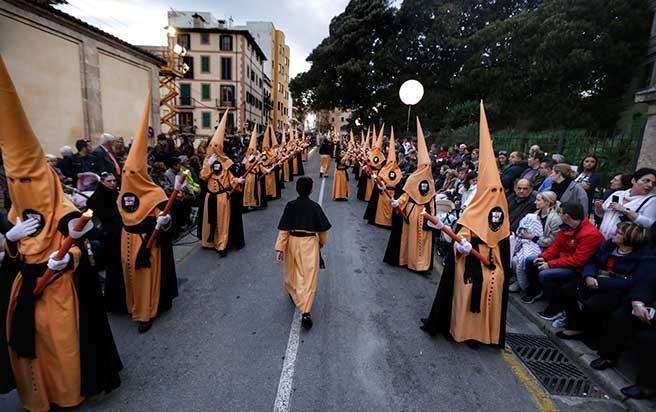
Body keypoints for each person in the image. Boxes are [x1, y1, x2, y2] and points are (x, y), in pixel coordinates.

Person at [0, 56, 122, 410]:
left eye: (27, 180)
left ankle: (67, 396)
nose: (21, 186)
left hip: (57, 288)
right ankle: (37, 398)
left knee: (59, 343)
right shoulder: (15, 211)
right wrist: (10, 238)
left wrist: (68, 255)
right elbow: (13, 252)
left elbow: (77, 233)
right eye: (15, 182)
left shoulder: (63, 207)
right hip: (27, 286)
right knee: (29, 348)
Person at [421, 102, 511, 347]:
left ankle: (485, 335)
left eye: (497, 190)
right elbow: (463, 230)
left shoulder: (500, 209)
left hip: (494, 263)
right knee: (468, 286)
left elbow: (502, 241)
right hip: (470, 259)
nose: (493, 194)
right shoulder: (474, 208)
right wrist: (462, 243)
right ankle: (463, 331)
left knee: (494, 284)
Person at [117, 93, 178, 333]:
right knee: (129, 276)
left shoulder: (154, 193)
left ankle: (146, 312)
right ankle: (132, 306)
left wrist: (165, 221)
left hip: (147, 244)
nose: (128, 178)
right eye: (126, 173)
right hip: (126, 241)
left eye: (133, 174)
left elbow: (164, 219)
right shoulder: (121, 194)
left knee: (145, 278)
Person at [556, 222, 654, 340]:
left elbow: (632, 282)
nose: (614, 234)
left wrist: (599, 283)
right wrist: (589, 275)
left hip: (614, 290)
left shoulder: (643, 258)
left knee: (593, 305)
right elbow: (591, 261)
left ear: (629, 238)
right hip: (593, 280)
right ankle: (575, 325)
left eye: (619, 233)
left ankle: (591, 333)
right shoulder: (608, 246)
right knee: (566, 290)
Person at [521, 202, 605, 319]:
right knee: (531, 260)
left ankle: (557, 306)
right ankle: (536, 291)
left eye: (560, 213)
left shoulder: (590, 234)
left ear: (567, 216)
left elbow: (579, 260)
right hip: (564, 259)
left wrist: (549, 264)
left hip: (578, 268)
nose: (558, 215)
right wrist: (543, 257)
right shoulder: (568, 227)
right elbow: (556, 246)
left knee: (545, 274)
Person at [590, 267, 656, 399]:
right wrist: (638, 302)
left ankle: (647, 386)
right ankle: (609, 356)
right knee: (620, 316)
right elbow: (646, 283)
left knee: (648, 339)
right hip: (650, 308)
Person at [275, 177, 331, 330]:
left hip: (292, 241)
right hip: (309, 243)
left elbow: (284, 229)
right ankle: (306, 310)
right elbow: (323, 232)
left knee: (292, 272)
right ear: (311, 190)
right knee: (309, 276)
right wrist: (320, 244)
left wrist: (280, 248)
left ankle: (295, 296)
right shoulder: (315, 207)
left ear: (297, 189)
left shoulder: (290, 206)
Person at [389, 118, 436, 276]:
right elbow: (406, 195)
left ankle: (421, 266)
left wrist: (433, 218)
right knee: (410, 241)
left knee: (424, 242)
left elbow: (432, 201)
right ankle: (408, 261)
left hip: (425, 215)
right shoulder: (413, 179)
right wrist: (398, 202)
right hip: (412, 213)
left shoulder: (430, 181)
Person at [199, 110, 245, 256]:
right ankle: (209, 241)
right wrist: (210, 167)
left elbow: (231, 179)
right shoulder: (207, 162)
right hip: (210, 197)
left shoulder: (227, 162)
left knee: (223, 222)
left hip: (222, 197)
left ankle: (222, 245)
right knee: (210, 221)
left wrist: (238, 181)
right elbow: (203, 177)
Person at [86, 172, 126, 313]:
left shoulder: (115, 193)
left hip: (119, 232)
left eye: (114, 180)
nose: (112, 183)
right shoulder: (97, 197)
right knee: (114, 268)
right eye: (109, 181)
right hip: (108, 236)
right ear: (102, 182)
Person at [596, 168, 656, 239]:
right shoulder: (618, 193)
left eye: (654, 183)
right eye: (646, 181)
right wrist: (599, 208)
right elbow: (601, 215)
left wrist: (625, 210)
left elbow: (648, 224)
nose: (650, 185)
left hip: (622, 244)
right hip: (601, 237)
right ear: (633, 180)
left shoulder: (651, 200)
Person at [365, 128, 403, 227]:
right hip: (383, 193)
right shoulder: (384, 169)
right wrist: (380, 185)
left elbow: (399, 183)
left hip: (391, 194)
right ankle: (380, 221)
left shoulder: (396, 171)